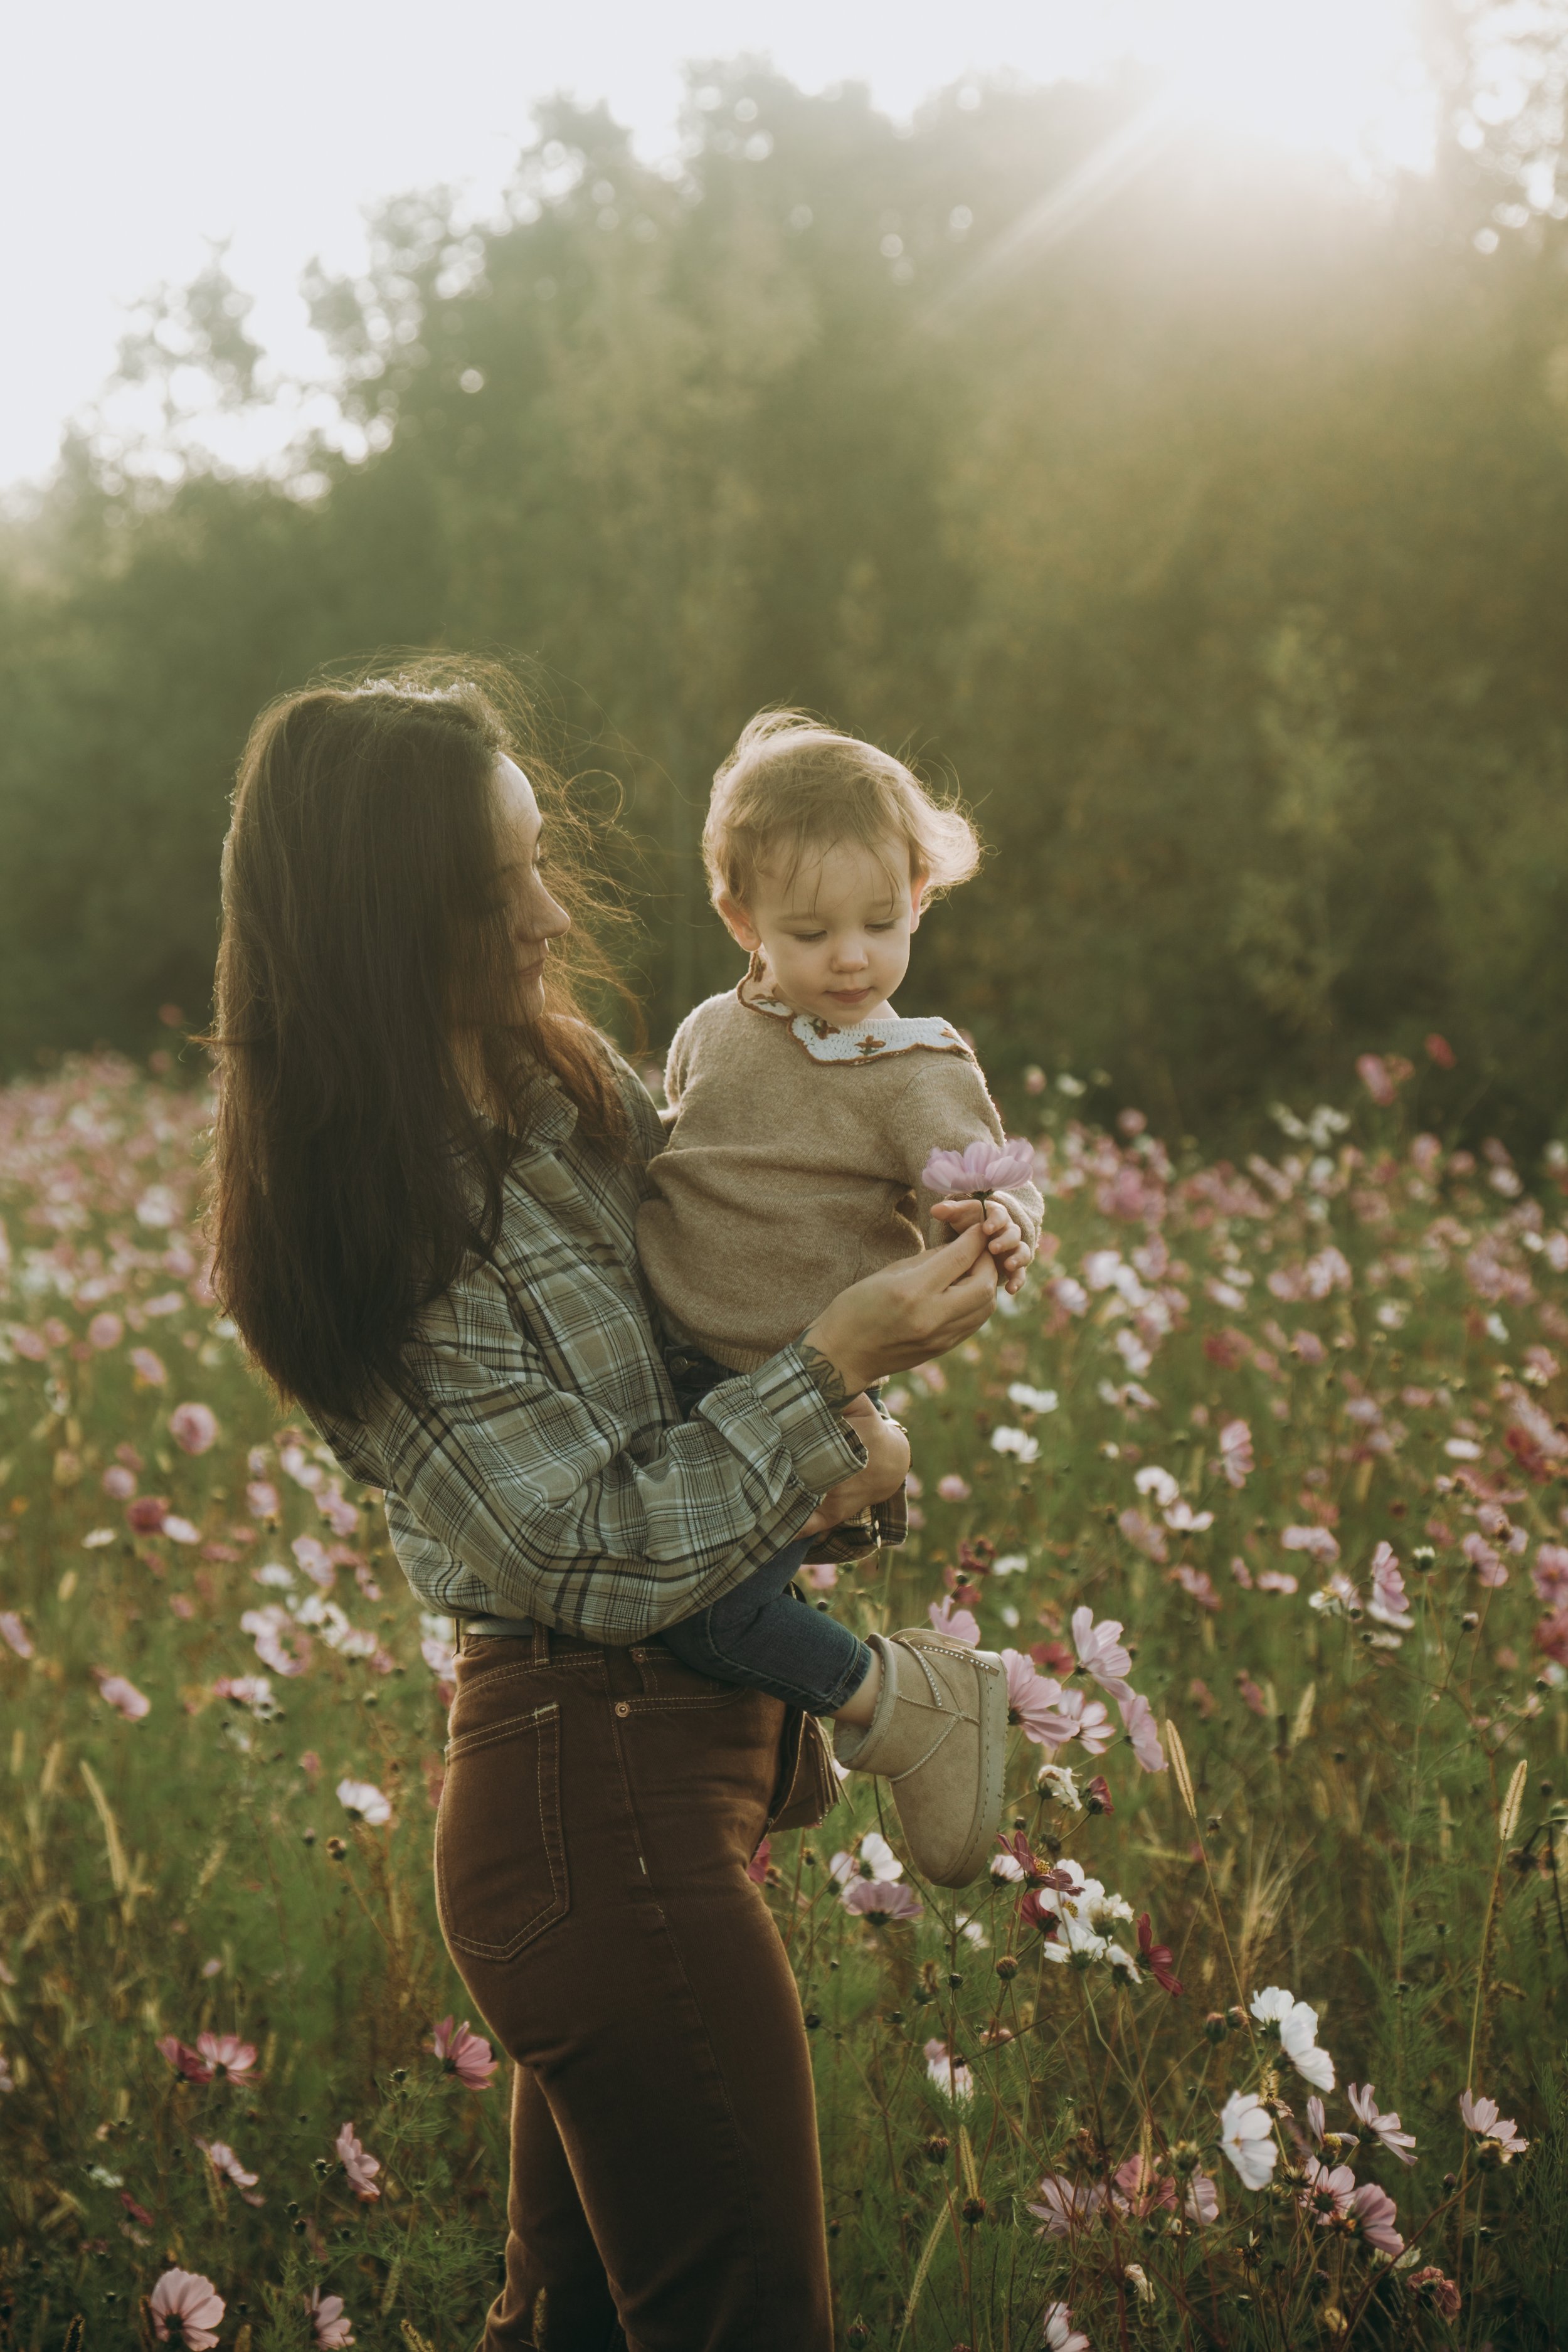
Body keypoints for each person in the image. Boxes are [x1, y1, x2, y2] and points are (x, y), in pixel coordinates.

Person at [206, 660, 1004, 2352]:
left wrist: (864, 1398)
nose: (555, 910)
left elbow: (714, 1346)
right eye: (505, 886)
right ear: (392, 919)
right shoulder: (372, 1225)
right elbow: (588, 1543)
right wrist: (829, 1365)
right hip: (589, 1803)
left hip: (671, 1783)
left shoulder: (566, 1103)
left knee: (567, 2327)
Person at [640, 711, 1043, 1885]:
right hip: (670, 1375)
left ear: (922, 894)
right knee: (636, 1605)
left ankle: (904, 1706)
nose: (852, 958)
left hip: (789, 1393)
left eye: (881, 921)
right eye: (810, 931)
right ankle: (778, 1757)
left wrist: (1001, 1223)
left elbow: (984, 1180)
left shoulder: (913, 1066)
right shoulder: (713, 1028)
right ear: (742, 922)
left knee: (701, 1612)